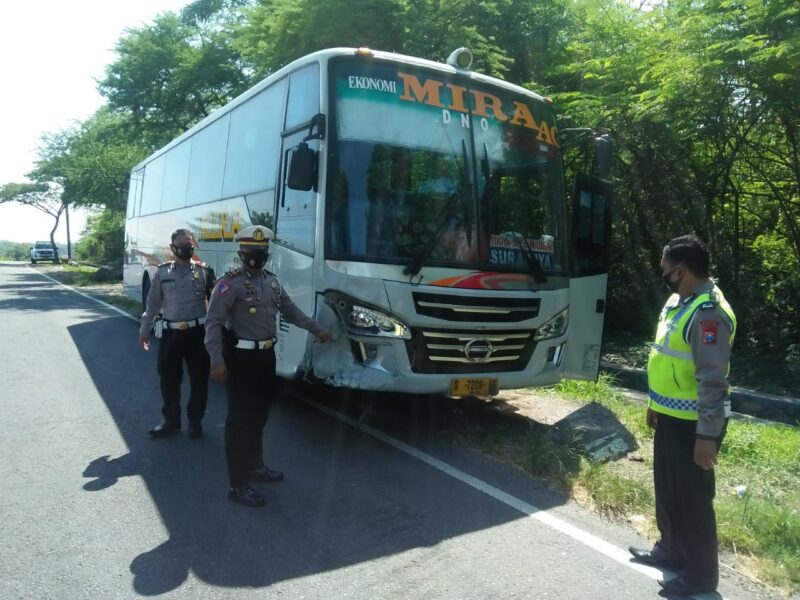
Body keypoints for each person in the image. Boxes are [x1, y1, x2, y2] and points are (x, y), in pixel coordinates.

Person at [629, 235, 737, 596]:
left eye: (665, 270)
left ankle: (701, 576)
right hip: (671, 417)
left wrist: (707, 436)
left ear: (681, 270)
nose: (662, 275)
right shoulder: (680, 300)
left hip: (696, 425)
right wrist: (655, 404)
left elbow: (711, 380)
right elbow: (666, 356)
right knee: (670, 491)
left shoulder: (708, 313)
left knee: (694, 502)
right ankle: (672, 553)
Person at [204, 225, 333, 508]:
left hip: (265, 357)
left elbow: (291, 310)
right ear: (240, 252)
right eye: (251, 251)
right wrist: (216, 360)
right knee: (239, 421)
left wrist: (317, 330)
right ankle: (237, 484)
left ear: (267, 253)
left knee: (259, 416)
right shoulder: (229, 283)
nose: (256, 256)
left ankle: (255, 466)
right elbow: (213, 323)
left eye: (261, 251)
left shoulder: (272, 282)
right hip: (240, 359)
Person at [139, 229, 215, 439]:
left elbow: (216, 306)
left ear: (194, 246)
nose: (186, 248)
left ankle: (195, 422)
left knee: (199, 381)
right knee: (168, 380)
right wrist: (144, 330)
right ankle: (171, 421)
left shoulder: (205, 272)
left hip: (198, 335)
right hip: (171, 335)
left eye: (189, 244)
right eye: (181, 244)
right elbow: (152, 304)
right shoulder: (162, 273)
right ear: (173, 248)